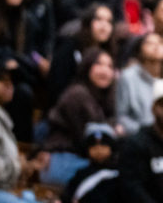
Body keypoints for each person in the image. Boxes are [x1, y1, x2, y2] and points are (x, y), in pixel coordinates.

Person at [0, 56, 56, 203]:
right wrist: (20, 165)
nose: (9, 84)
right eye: (1, 78)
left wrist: (25, 166)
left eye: (11, 80)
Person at [41, 47, 118, 186]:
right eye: (98, 64)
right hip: (64, 160)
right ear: (87, 66)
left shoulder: (104, 100)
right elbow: (90, 142)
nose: (105, 70)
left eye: (110, 66)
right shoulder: (77, 94)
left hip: (79, 161)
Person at [0, 0, 47, 140]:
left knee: (24, 93)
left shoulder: (27, 20)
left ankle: (22, 147)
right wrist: (3, 62)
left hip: (15, 76)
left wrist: (11, 64)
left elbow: (28, 59)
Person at [57, 121, 120, 203]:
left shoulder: (115, 174)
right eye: (94, 146)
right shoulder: (82, 172)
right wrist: (62, 202)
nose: (99, 150)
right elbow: (69, 192)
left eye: (103, 145)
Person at [48, 2, 116, 107]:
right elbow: (57, 88)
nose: (104, 26)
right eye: (98, 19)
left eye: (109, 22)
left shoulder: (109, 54)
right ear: (88, 22)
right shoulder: (69, 48)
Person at [117, 32, 163, 134]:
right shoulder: (128, 77)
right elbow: (121, 116)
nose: (156, 46)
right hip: (140, 135)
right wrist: (144, 132)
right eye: (149, 43)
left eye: (160, 42)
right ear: (140, 50)